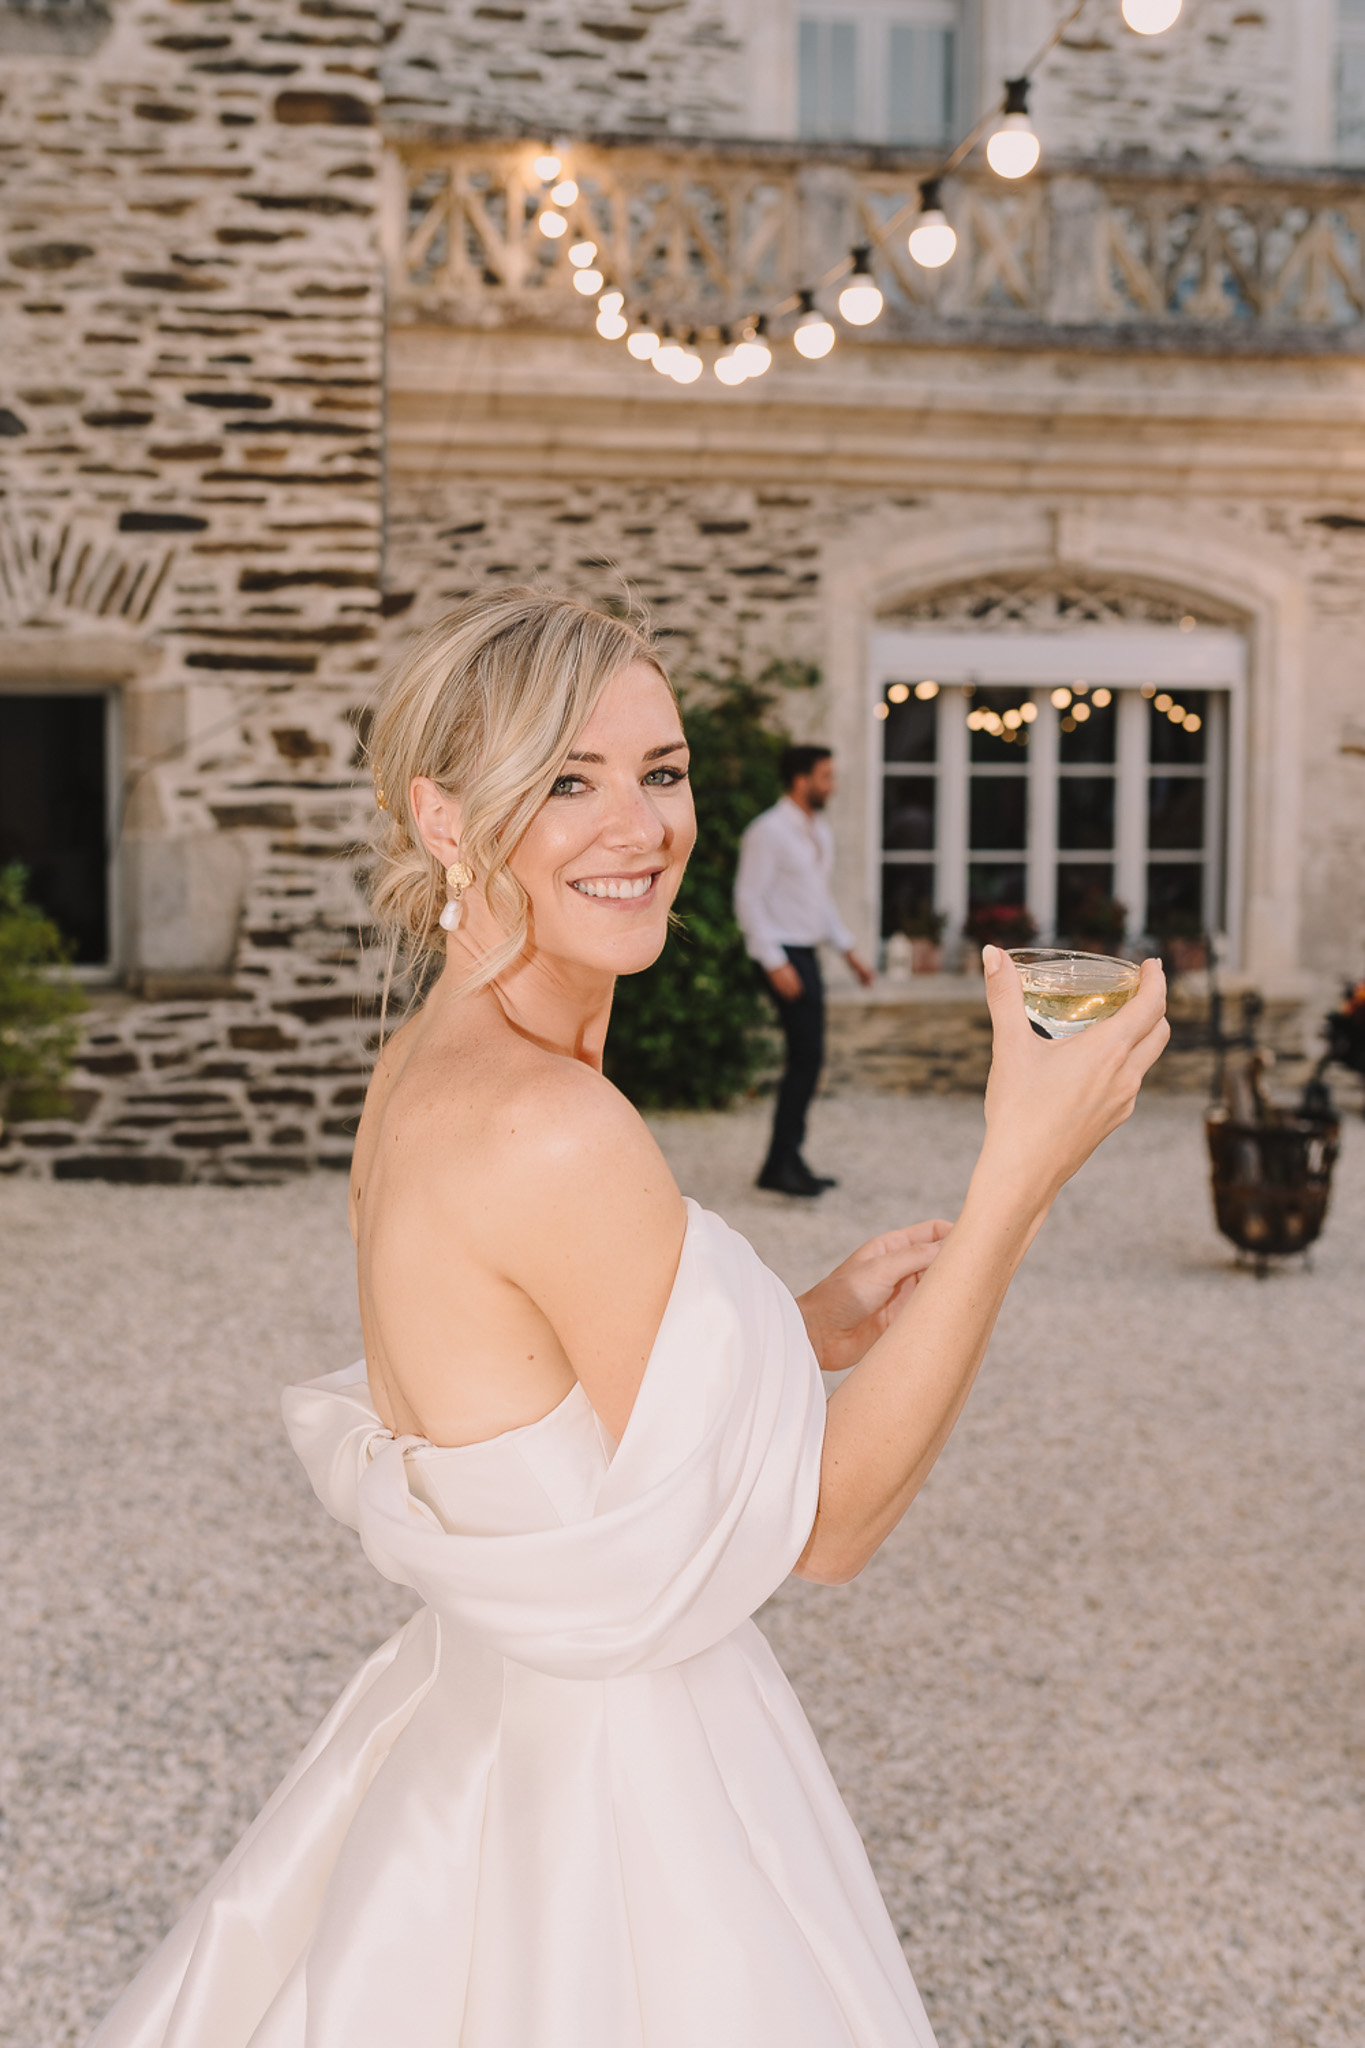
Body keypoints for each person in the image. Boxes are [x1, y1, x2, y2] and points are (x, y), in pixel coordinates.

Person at [88, 589, 1168, 2048]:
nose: (641, 825)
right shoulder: (549, 1122)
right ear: (448, 821)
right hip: (614, 1790)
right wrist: (1018, 1175)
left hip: (491, 1733)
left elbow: (548, 1396)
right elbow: (831, 1525)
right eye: (566, 781)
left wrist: (798, 1325)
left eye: (659, 772)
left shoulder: (435, 1062)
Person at [734, 744, 876, 1196]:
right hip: (783, 955)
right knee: (806, 1059)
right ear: (801, 780)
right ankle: (780, 1164)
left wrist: (849, 951)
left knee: (808, 1059)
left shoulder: (819, 831)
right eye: (825, 777)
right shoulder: (768, 832)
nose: (831, 786)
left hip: (807, 953)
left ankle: (787, 1158)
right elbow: (748, 899)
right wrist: (774, 962)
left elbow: (818, 901)